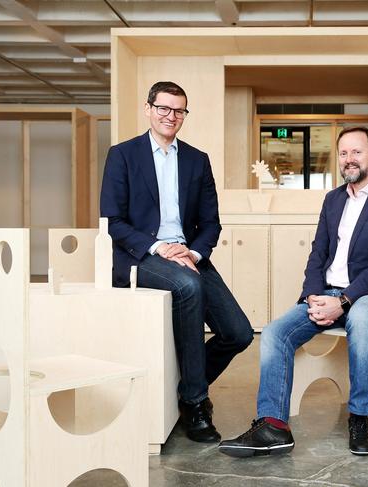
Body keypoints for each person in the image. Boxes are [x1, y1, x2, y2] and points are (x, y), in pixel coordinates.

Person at [219, 126, 368, 457]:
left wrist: (343, 301)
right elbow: (317, 255)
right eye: (343, 153)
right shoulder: (333, 199)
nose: (349, 159)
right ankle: (274, 427)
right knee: (275, 332)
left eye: (357, 151)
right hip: (326, 292)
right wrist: (312, 296)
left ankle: (360, 416)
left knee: (363, 319)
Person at [100, 81, 253, 443]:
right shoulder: (122, 155)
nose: (171, 116)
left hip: (188, 255)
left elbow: (211, 222)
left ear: (185, 114)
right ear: (148, 108)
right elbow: (112, 221)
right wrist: (158, 247)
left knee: (239, 333)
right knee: (188, 286)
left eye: (179, 110)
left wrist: (193, 253)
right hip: (141, 256)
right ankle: (196, 404)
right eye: (164, 108)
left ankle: (183, 387)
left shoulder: (197, 160)